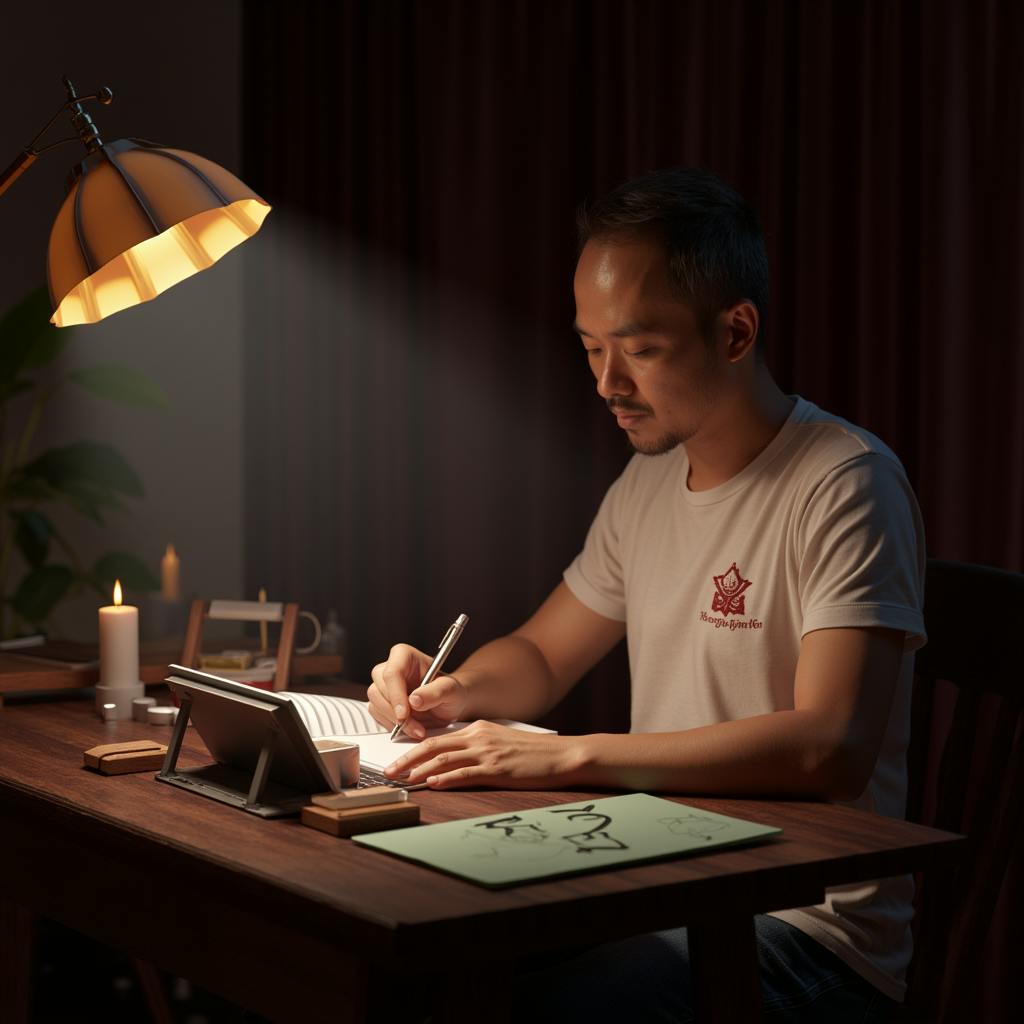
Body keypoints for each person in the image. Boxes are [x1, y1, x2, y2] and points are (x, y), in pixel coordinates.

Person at [367, 167, 925, 1021]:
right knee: (400, 968)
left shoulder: (845, 483)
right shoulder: (649, 480)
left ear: (736, 332)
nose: (607, 383)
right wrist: (455, 691)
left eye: (641, 348)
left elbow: (831, 746)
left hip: (803, 924)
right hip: (659, 877)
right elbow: (547, 653)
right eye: (592, 347)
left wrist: (571, 757)